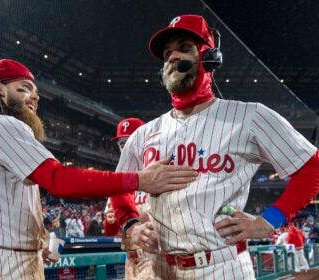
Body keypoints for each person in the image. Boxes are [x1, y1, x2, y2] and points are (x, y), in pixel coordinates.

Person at [110, 14, 319, 279]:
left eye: (184, 48)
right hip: (160, 270)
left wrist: (268, 222)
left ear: (210, 57)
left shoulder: (249, 116)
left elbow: (312, 167)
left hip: (223, 267)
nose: (172, 57)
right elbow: (118, 187)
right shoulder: (145, 134)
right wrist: (131, 226)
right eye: (166, 54)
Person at [0, 59, 198, 279]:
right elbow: (58, 180)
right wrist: (139, 179)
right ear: (0, 88)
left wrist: (36, 244)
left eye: (36, 91)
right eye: (25, 87)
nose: (35, 97)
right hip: (5, 263)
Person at [104, 117, 158, 279]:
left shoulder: (157, 172)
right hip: (129, 257)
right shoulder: (117, 181)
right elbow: (110, 231)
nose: (126, 147)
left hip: (154, 256)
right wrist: (111, 221)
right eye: (122, 143)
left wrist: (139, 218)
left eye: (131, 141)